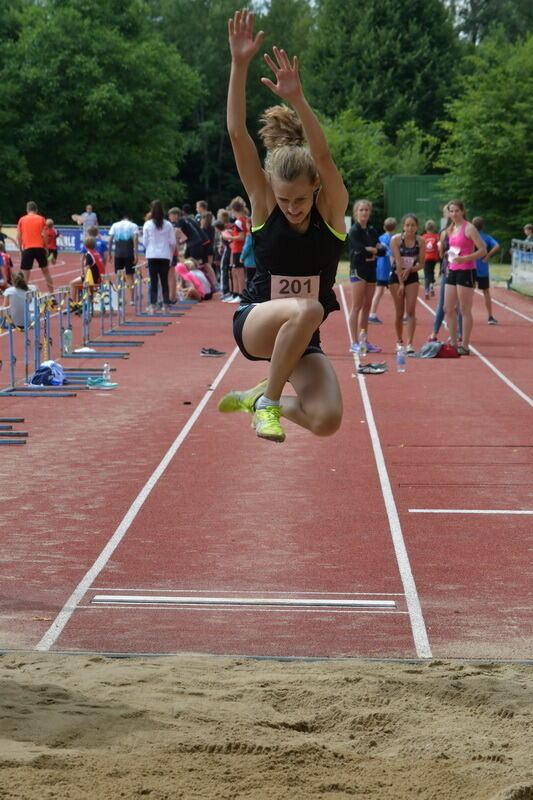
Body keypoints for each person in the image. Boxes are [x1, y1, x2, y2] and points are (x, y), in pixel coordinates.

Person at [218, 9, 348, 443]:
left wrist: (298, 99)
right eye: (283, 198)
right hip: (255, 322)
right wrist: (239, 65)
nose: (291, 207)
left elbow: (324, 158)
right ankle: (270, 404)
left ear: (315, 188)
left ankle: (261, 398)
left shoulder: (331, 213)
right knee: (309, 309)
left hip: (301, 335)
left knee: (327, 420)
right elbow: (238, 134)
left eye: (299, 199)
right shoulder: (264, 203)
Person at [443, 200, 486, 355]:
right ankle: (454, 343)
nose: (454, 214)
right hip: (452, 269)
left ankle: (465, 345)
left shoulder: (469, 228)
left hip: (466, 270)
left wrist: (465, 258)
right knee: (448, 308)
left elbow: (482, 250)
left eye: (456, 211)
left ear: (462, 211)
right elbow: (454, 248)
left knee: (464, 309)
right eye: (451, 211)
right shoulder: (451, 228)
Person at [347, 199, 385, 353]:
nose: (364, 212)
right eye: (361, 210)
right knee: (356, 306)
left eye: (366, 210)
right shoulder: (354, 230)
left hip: (371, 270)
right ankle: (354, 342)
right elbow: (359, 249)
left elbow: (382, 251)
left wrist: (372, 250)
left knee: (367, 306)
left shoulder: (372, 230)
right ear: (356, 212)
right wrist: (372, 250)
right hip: (358, 270)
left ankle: (364, 340)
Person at [389, 214, 425, 353]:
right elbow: (398, 261)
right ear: (403, 226)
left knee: (410, 311)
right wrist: (401, 283)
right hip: (397, 276)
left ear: (417, 227)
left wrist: (410, 269)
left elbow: (421, 264)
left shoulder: (420, 241)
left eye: (413, 225)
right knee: (399, 312)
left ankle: (410, 343)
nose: (410, 228)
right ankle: (399, 341)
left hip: (412, 275)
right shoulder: (396, 240)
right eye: (407, 225)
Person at [142, 200, 176, 313]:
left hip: (152, 254)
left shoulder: (147, 224)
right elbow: (172, 242)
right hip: (165, 255)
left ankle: (153, 305)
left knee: (154, 281)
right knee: (164, 280)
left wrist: (150, 248)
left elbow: (145, 242)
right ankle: (166, 306)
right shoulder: (168, 225)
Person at [16, 201, 55, 297]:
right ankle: (52, 294)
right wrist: (46, 247)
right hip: (39, 247)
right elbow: (45, 235)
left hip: (27, 248)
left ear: (27, 210)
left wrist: (21, 249)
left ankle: (23, 296)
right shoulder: (41, 219)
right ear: (36, 210)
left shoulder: (22, 219)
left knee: (25, 274)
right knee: (46, 272)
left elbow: (19, 236)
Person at [472, 217, 500, 324]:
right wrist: (488, 255)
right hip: (483, 268)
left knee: (468, 292)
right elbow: (497, 246)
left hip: (471, 268)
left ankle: (464, 316)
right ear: (483, 226)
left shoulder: (471, 237)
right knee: (486, 292)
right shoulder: (487, 237)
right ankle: (490, 317)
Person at [368, 217, 396, 324]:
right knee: (397, 292)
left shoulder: (379, 238)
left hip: (379, 268)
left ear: (384, 227)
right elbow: (393, 254)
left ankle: (372, 314)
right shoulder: (394, 239)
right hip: (389, 268)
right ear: (394, 228)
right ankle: (402, 314)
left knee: (378, 292)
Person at [108, 214, 138, 303]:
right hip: (129, 254)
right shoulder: (133, 225)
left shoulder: (115, 225)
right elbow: (136, 238)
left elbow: (110, 239)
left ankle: (120, 298)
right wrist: (136, 254)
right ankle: (132, 299)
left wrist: (109, 253)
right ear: (130, 219)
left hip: (118, 254)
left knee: (118, 276)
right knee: (130, 276)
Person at [69, 235, 105, 305]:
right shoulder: (96, 253)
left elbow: (87, 269)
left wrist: (85, 279)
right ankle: (83, 302)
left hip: (93, 279)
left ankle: (73, 304)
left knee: (72, 283)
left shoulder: (89, 254)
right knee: (79, 281)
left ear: (85, 245)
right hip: (100, 277)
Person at [421, 220, 439, 299]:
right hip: (434, 258)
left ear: (426, 228)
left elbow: (421, 248)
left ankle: (426, 290)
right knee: (431, 272)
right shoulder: (436, 236)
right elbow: (439, 247)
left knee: (426, 274)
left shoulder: (423, 237)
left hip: (426, 258)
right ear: (434, 228)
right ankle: (431, 286)